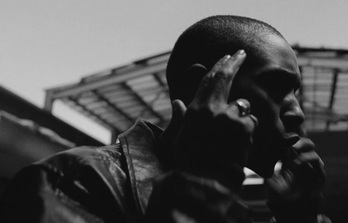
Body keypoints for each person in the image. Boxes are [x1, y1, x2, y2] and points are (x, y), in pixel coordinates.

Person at [0, 15, 326, 223]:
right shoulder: (74, 182)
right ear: (201, 86)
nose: (296, 112)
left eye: (296, 93)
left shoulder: (234, 212)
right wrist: (200, 184)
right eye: (276, 87)